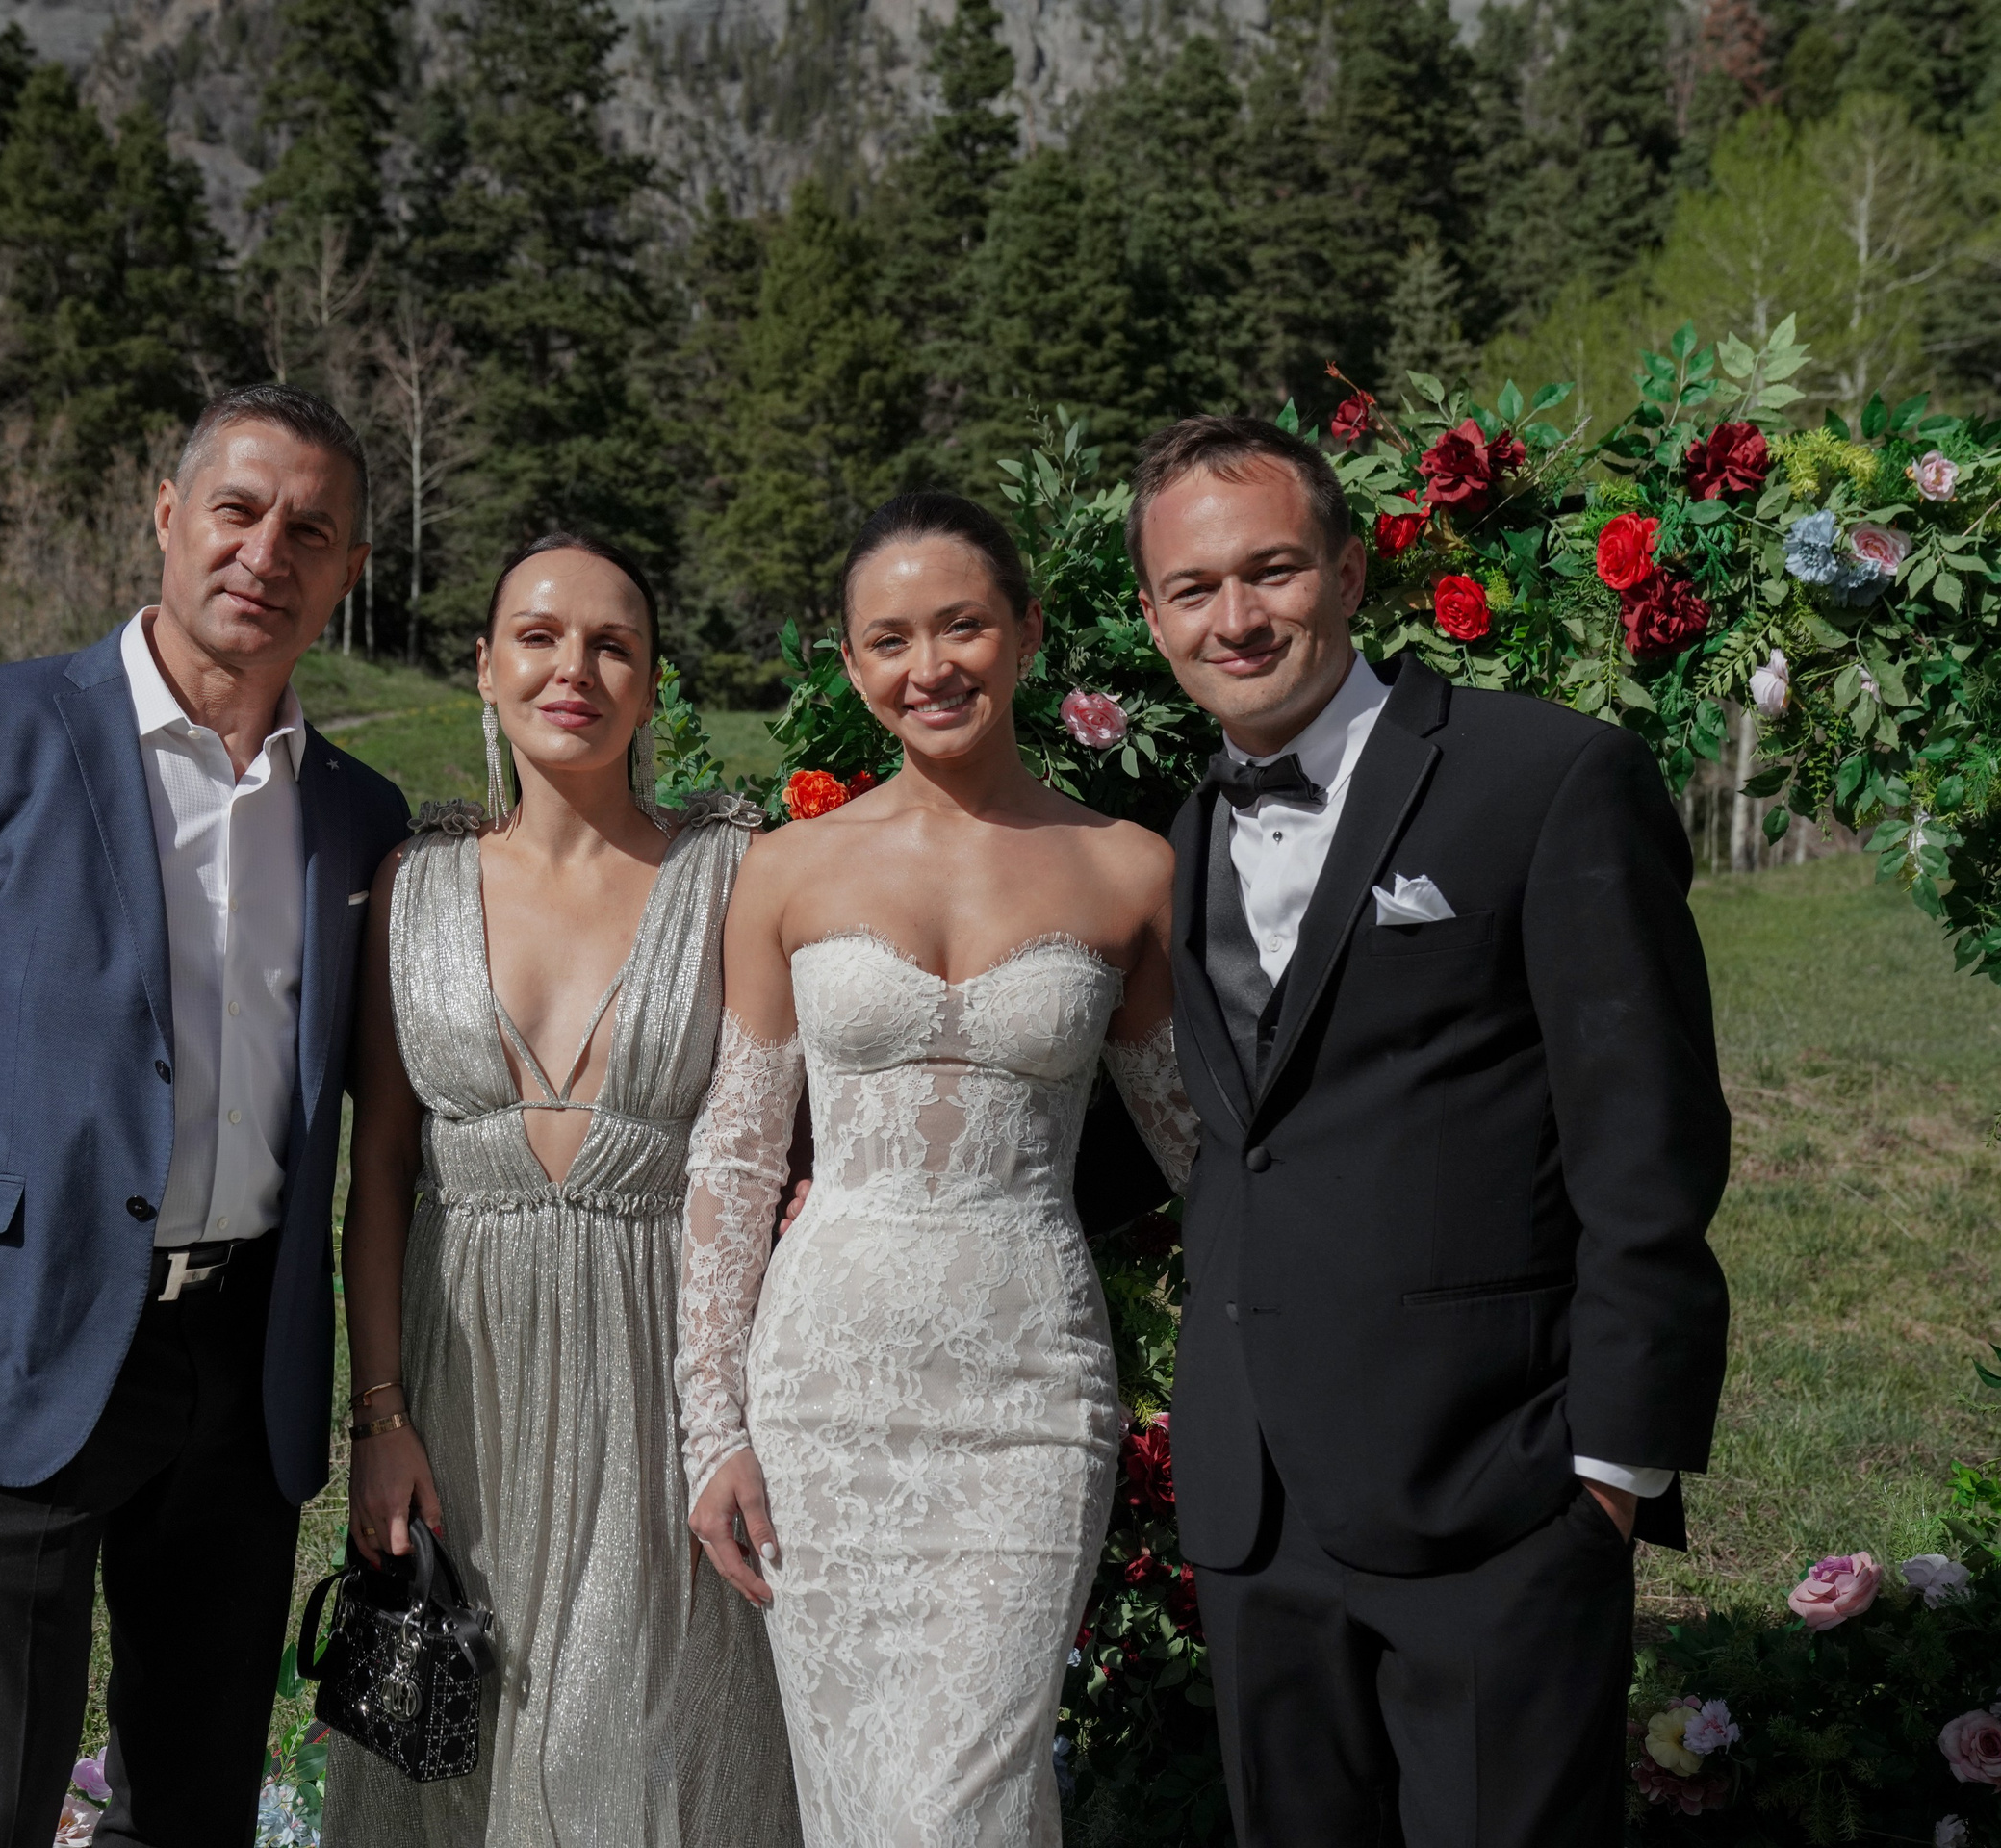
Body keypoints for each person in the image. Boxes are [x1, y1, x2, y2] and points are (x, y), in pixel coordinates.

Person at [0, 385, 410, 1846]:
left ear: (348, 572)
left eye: (311, 529)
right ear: (168, 518)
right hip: (16, 1341)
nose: (268, 551)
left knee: (193, 1813)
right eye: (239, 510)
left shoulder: (359, 815)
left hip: (242, 1371)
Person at [1131, 415, 1732, 1844]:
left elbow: (1649, 1139)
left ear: (1347, 572)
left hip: (1497, 1491)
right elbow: (1239, 1130)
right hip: (1258, 1506)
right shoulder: (1178, 832)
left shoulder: (1546, 780)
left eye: (1269, 570)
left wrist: (1614, 1471)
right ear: (1154, 616)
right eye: (1193, 589)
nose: (1237, 616)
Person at [678, 491, 1203, 1845]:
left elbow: (1200, 1144)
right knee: (857, 1797)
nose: (931, 667)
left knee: (960, 1795)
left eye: (962, 625)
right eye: (890, 639)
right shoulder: (787, 870)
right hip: (823, 1390)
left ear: (1025, 632)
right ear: (852, 665)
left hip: (1031, 1388)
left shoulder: (1129, 869)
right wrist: (712, 1429)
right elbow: (737, 1160)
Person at [325, 534, 800, 1848]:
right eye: (537, 637)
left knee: (652, 1725)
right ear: (483, 668)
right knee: (467, 1737)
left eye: (613, 645)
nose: (572, 668)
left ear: (652, 684)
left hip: (668, 1367)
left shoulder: (737, 873)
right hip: (460, 1368)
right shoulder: (409, 889)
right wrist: (379, 1420)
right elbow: (377, 1171)